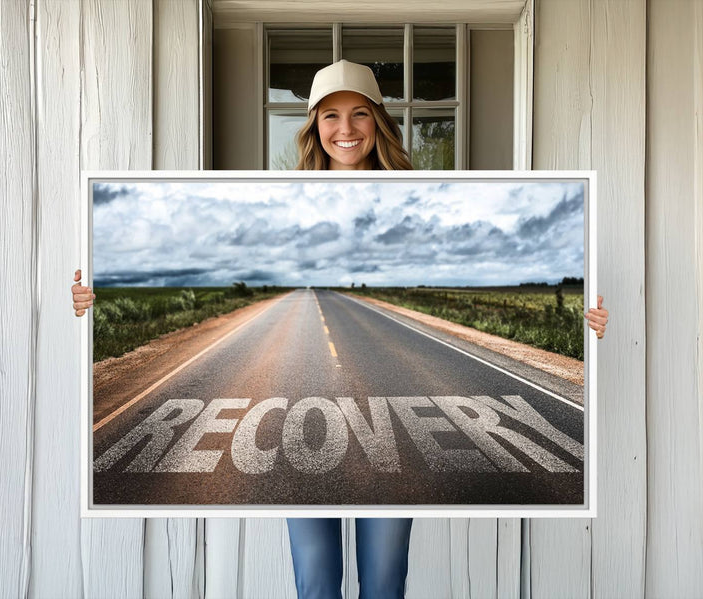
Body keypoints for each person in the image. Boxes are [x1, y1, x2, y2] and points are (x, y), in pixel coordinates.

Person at [70, 59, 610, 599]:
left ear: (378, 121)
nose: (345, 129)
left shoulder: (415, 195)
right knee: (316, 580)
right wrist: (90, 302)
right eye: (330, 116)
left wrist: (585, 320)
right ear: (313, 127)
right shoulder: (284, 201)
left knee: (383, 581)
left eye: (359, 115)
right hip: (300, 424)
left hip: (392, 428)